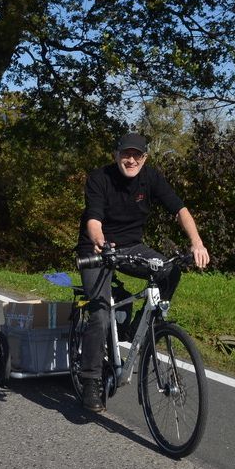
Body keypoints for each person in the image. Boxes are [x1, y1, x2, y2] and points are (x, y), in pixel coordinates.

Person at [75, 132, 210, 413]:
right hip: (97, 250)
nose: (131, 159)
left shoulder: (151, 178)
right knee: (99, 315)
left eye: (137, 155)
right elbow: (93, 220)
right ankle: (90, 381)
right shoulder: (100, 178)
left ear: (145, 157)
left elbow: (180, 209)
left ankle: (141, 326)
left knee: (170, 272)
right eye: (126, 154)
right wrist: (101, 243)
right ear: (116, 154)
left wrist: (196, 243)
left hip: (133, 246)